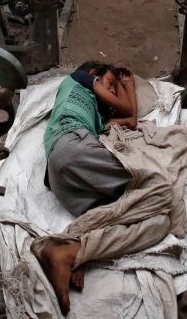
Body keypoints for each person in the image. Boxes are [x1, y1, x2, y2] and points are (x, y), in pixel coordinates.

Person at [37, 61, 138, 313]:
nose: (113, 92)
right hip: (72, 144)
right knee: (147, 182)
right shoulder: (79, 78)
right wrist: (128, 84)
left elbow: (132, 120)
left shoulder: (97, 117)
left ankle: (75, 254)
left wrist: (125, 86)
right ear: (94, 74)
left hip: (62, 178)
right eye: (110, 85)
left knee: (114, 212)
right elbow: (127, 108)